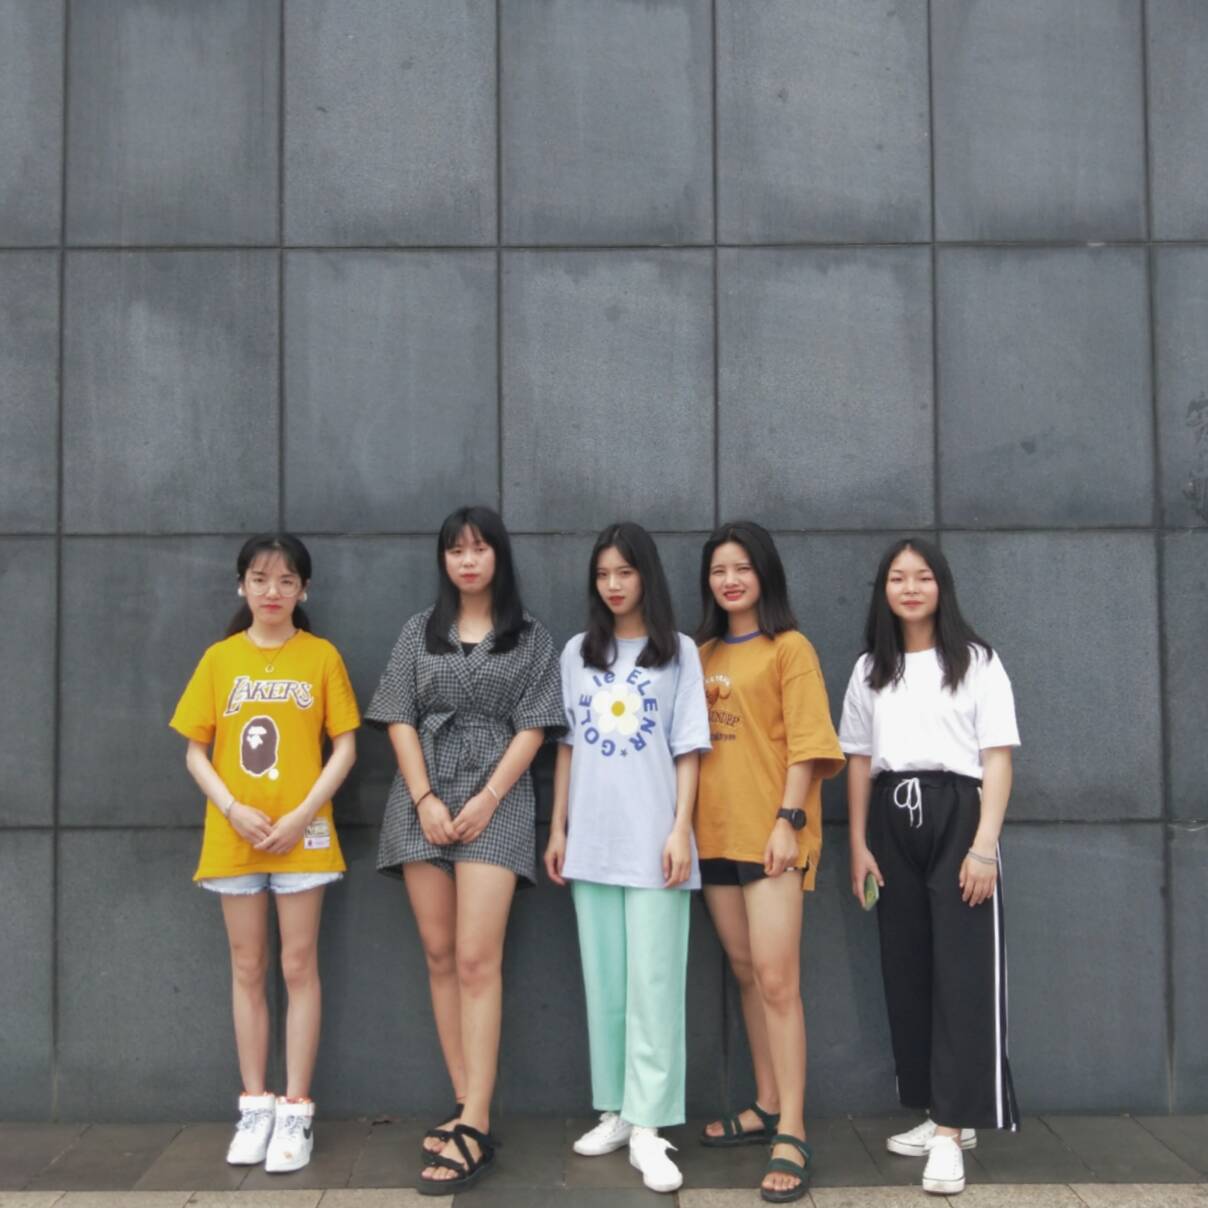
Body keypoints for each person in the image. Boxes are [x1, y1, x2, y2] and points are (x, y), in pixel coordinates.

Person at [365, 505, 564, 1196]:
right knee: (440, 954)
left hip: (497, 799)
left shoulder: (531, 637)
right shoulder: (419, 630)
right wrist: (425, 798)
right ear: (444, 560)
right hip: (422, 795)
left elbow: (535, 727)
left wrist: (486, 799)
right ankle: (461, 1102)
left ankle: (477, 1120)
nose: (468, 560)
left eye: (479, 549)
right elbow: (397, 716)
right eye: (456, 550)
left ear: (498, 556)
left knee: (479, 957)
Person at [170, 533, 359, 1174]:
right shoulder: (220, 659)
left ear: (304, 589)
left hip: (304, 839)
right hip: (236, 839)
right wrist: (233, 808)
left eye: (285, 581)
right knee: (248, 967)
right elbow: (195, 751)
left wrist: (303, 813)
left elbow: (346, 748)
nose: (272, 591)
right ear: (241, 586)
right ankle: (255, 1106)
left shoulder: (321, 657)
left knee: (299, 965)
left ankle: (296, 1111)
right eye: (259, 579)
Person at [840, 537, 1020, 1197]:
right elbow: (859, 760)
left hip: (958, 814)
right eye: (898, 578)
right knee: (908, 968)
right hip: (892, 819)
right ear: (883, 590)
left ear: (941, 585)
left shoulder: (975, 661)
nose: (910, 588)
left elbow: (997, 757)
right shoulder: (870, 669)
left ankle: (951, 1132)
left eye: (922, 577)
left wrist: (984, 844)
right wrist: (858, 842)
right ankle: (938, 1110)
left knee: (963, 973)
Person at [544, 522, 711, 1195]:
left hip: (655, 842)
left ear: (647, 575)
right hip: (592, 841)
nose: (613, 585)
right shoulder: (577, 652)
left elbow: (689, 748)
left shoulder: (680, 653)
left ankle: (649, 1123)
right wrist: (558, 828)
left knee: (654, 984)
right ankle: (616, 1109)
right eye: (603, 574)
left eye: (625, 572)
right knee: (606, 984)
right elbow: (565, 746)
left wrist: (680, 829)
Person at [693, 521, 845, 1204]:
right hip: (714, 837)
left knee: (779, 980)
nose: (730, 580)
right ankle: (765, 1102)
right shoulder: (699, 654)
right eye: (719, 570)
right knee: (747, 972)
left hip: (773, 837)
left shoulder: (791, 648)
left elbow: (810, 744)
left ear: (765, 575)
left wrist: (789, 819)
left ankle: (793, 1128)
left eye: (742, 568)